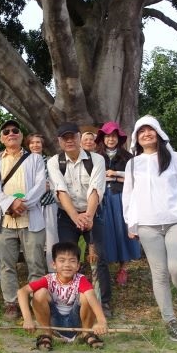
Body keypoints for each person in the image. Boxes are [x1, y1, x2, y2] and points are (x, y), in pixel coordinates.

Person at [123, 115, 177, 342]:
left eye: (150, 129)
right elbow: (129, 196)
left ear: (158, 132)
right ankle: (170, 322)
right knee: (159, 273)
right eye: (141, 131)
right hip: (147, 225)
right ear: (136, 137)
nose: (146, 134)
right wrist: (130, 222)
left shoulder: (175, 159)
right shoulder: (133, 163)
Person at [46, 122, 112, 318]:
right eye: (64, 138)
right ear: (59, 141)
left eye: (72, 136)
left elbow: (95, 189)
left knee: (98, 256)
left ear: (79, 137)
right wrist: (76, 217)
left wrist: (89, 216)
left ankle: (104, 302)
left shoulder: (96, 159)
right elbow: (60, 190)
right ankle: (69, 301)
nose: (69, 141)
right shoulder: (54, 162)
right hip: (67, 215)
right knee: (66, 258)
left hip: (92, 212)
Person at [0, 119, 46, 320]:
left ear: (21, 136)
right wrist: (11, 203)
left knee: (35, 263)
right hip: (4, 220)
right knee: (6, 264)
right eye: (6, 131)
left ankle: (36, 301)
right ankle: (11, 303)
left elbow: (40, 185)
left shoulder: (35, 159)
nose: (11, 133)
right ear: (2, 138)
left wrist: (22, 204)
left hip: (30, 217)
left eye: (15, 130)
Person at [17, 242, 108, 351]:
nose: (67, 265)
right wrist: (27, 319)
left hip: (76, 321)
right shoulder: (49, 279)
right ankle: (47, 334)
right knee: (39, 293)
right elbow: (22, 292)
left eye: (72, 261)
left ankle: (86, 333)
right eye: (62, 260)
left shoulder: (80, 279)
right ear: (54, 264)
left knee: (86, 295)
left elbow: (91, 296)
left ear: (78, 265)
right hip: (54, 322)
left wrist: (102, 321)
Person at [95, 122, 141, 286]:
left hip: (121, 196)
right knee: (105, 230)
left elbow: (135, 176)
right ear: (103, 138)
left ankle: (124, 267)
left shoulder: (128, 157)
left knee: (123, 229)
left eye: (114, 136)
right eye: (107, 136)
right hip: (102, 197)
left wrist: (115, 174)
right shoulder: (96, 156)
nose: (111, 139)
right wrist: (115, 177)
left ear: (118, 138)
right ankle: (104, 267)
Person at [25, 133, 59, 273]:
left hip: (49, 203)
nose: (35, 145)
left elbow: (56, 180)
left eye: (38, 142)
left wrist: (49, 186)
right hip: (31, 206)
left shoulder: (50, 161)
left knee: (52, 237)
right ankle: (36, 271)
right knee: (33, 240)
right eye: (32, 143)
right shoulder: (24, 162)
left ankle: (54, 270)